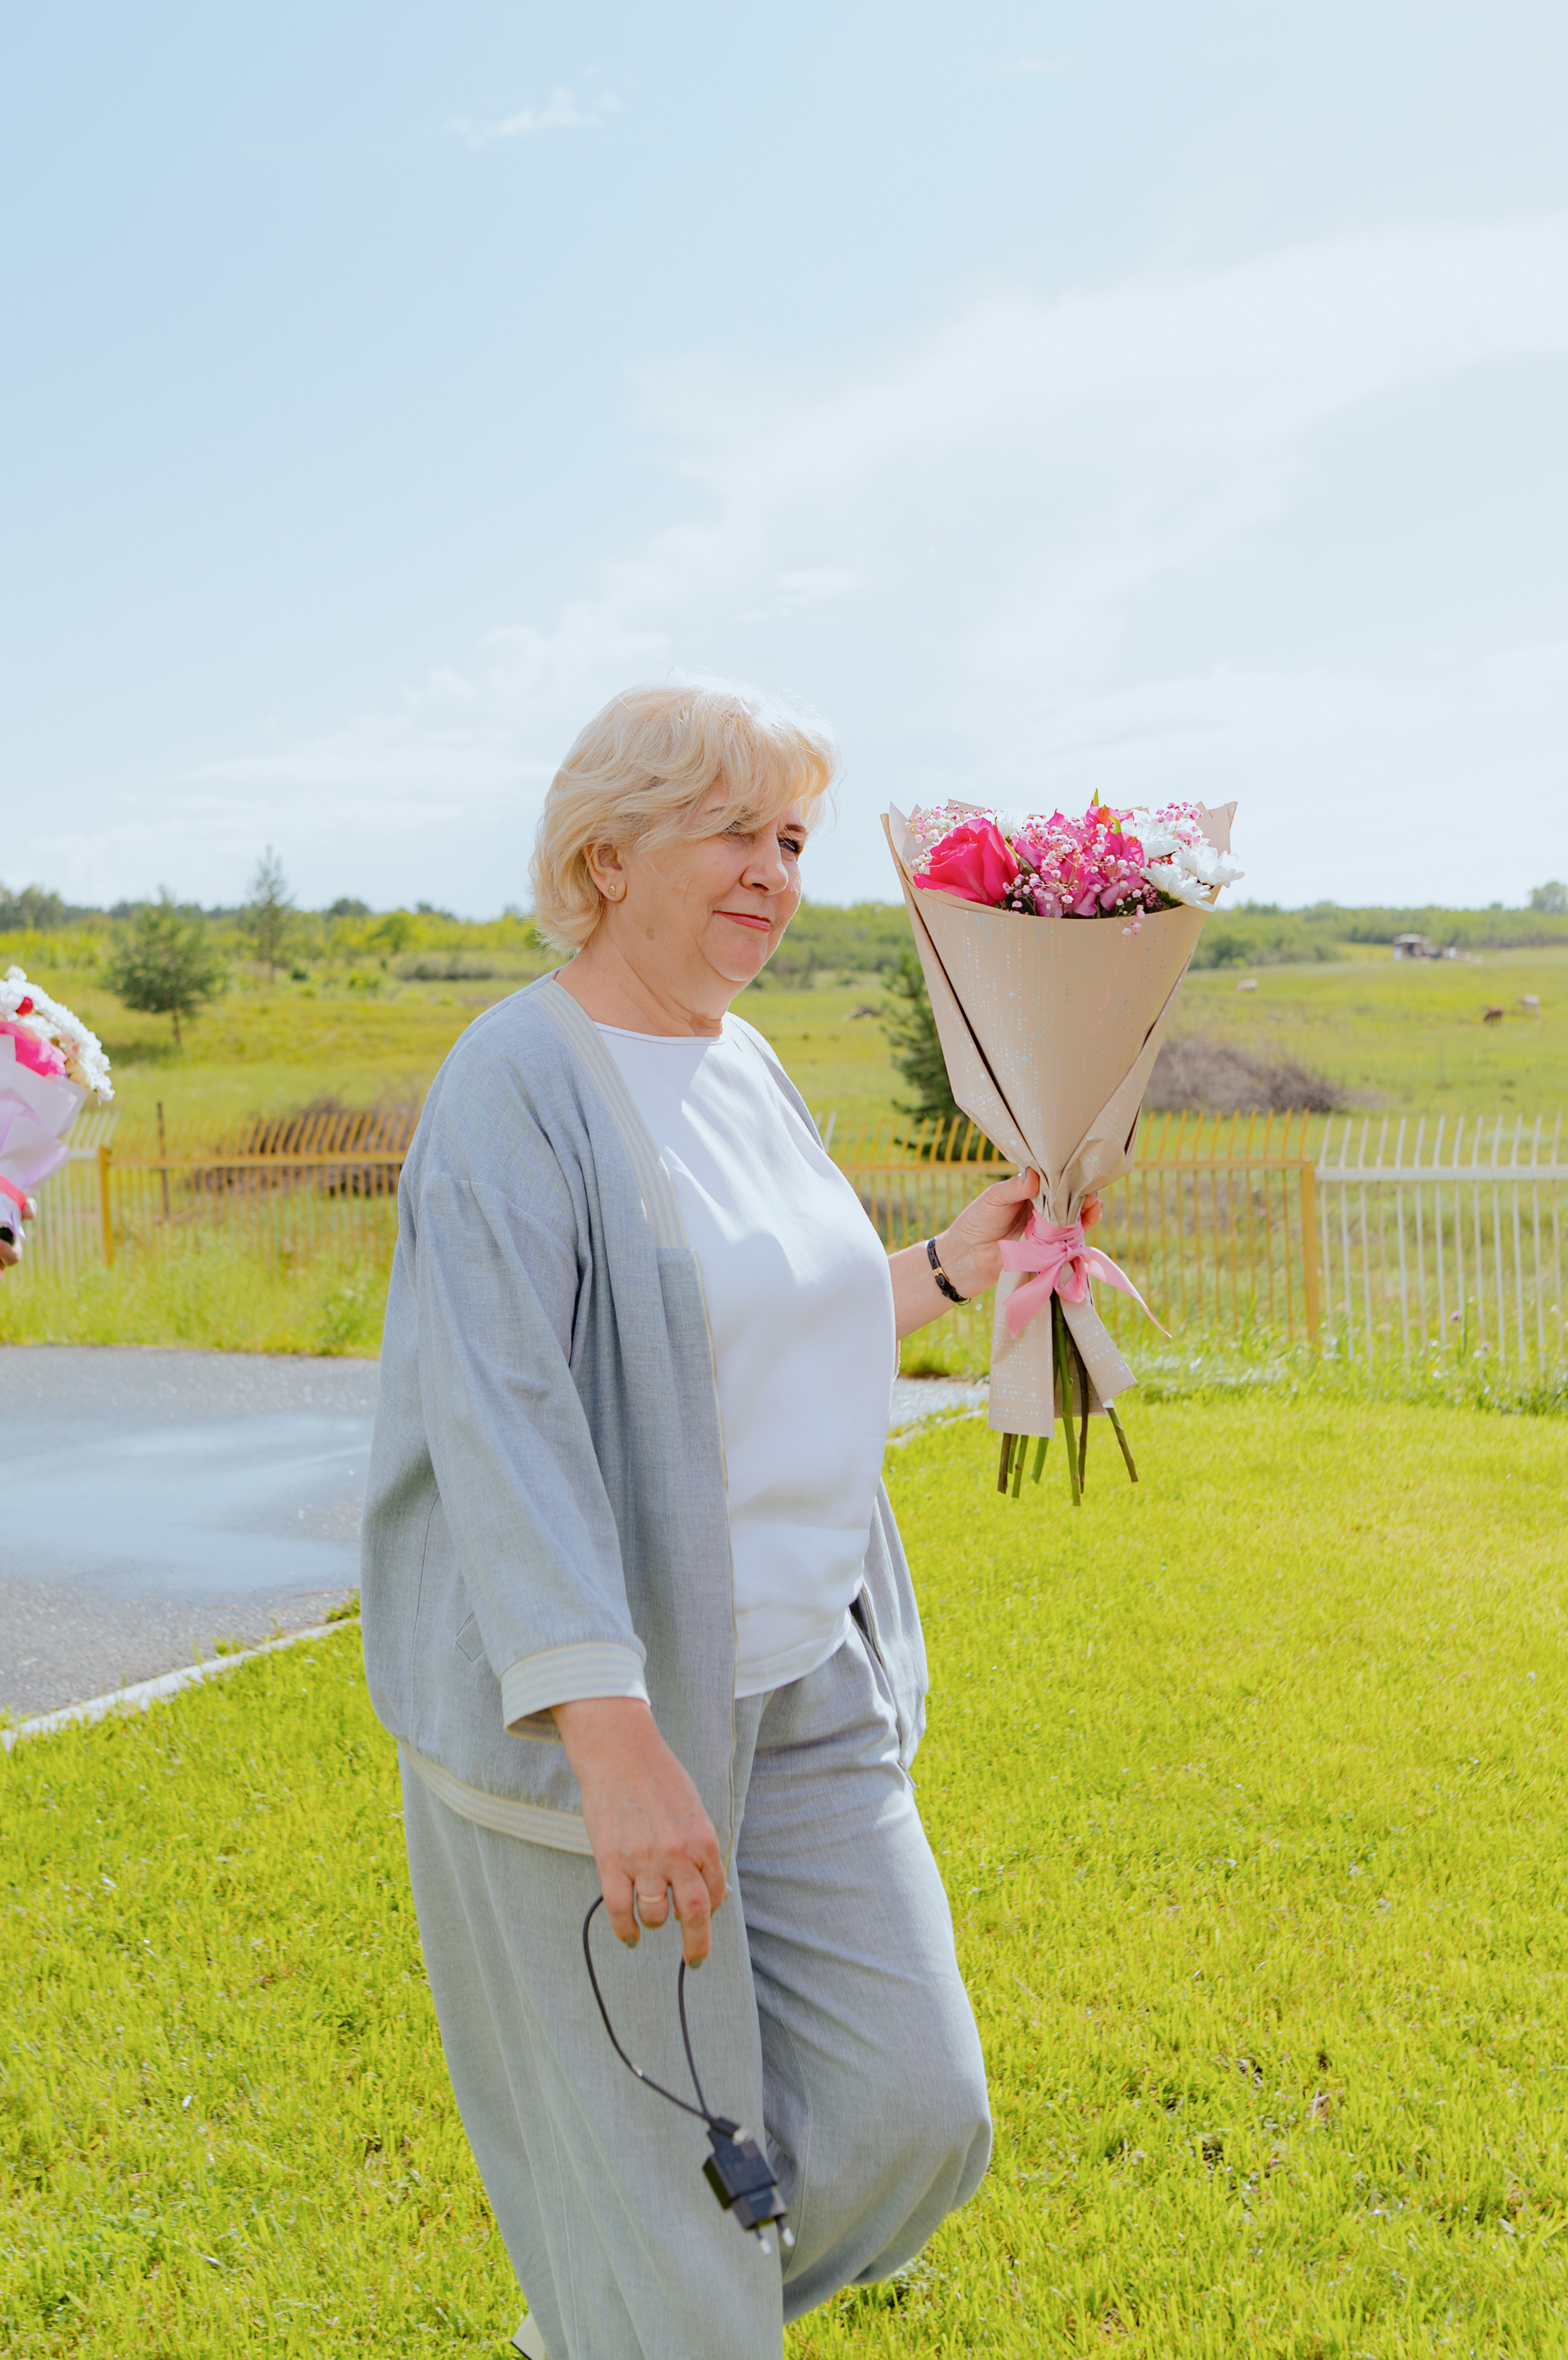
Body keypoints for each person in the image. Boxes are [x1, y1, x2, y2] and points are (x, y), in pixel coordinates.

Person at [361, 684, 1071, 2360]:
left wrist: (958, 1263)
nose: (774, 873)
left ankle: (622, 2324)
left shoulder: (742, 1065)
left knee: (916, 2116)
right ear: (605, 854)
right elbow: (504, 1419)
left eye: (794, 841)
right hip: (600, 1726)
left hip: (799, 1685)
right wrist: (613, 1745)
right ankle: (647, 2321)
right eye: (735, 832)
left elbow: (762, 1327)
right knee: (661, 2223)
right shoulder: (516, 1083)